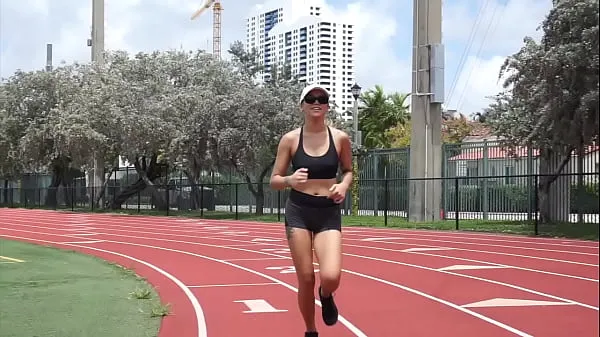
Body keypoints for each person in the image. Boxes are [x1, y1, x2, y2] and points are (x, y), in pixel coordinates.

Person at [269, 84, 353, 337]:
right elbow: (274, 180)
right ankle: (310, 330)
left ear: (327, 106)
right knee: (305, 278)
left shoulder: (340, 138)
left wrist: (344, 185)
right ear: (302, 105)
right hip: (299, 211)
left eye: (322, 98)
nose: (317, 102)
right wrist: (289, 180)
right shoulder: (290, 139)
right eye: (311, 98)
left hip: (328, 211)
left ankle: (326, 295)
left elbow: (348, 170)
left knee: (330, 276)